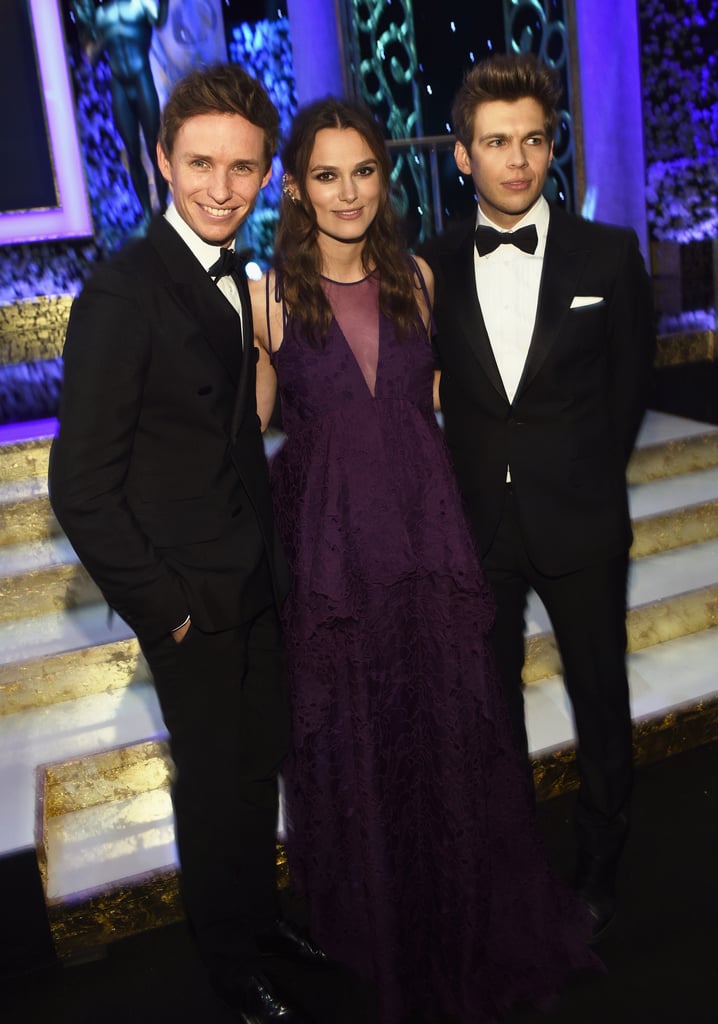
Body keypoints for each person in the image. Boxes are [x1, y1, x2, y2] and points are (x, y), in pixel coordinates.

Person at [250, 96, 600, 1024]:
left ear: (385, 177)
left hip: (424, 539)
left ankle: (461, 916)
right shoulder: (266, 299)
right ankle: (376, 933)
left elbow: (453, 395)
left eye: (363, 170)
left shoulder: (418, 279)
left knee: (444, 734)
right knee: (354, 740)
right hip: (332, 559)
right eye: (326, 174)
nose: (348, 190)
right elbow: (239, 432)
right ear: (296, 188)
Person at [48, 63, 326, 1024]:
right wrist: (165, 610)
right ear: (162, 160)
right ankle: (228, 966)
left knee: (257, 771)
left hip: (252, 583)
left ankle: (261, 919)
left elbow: (235, 442)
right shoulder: (125, 291)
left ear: (264, 175)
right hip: (190, 606)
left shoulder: (234, 279)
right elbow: (79, 487)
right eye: (201, 163)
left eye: (243, 168)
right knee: (212, 793)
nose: (220, 188)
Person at [420, 53, 656, 943]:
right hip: (476, 523)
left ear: (551, 146)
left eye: (532, 141)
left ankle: (600, 864)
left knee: (599, 699)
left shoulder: (610, 252)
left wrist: (590, 475)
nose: (516, 160)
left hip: (584, 522)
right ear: (462, 155)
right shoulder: (432, 264)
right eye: (495, 142)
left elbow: (632, 385)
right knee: (491, 705)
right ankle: (511, 861)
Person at [72, 0, 170, 232]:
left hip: (142, 79)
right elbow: (91, 57)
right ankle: (147, 212)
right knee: (132, 151)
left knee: (155, 147)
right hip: (120, 87)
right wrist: (98, 35)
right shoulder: (101, 15)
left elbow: (160, 21)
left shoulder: (141, 4)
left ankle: (163, 207)